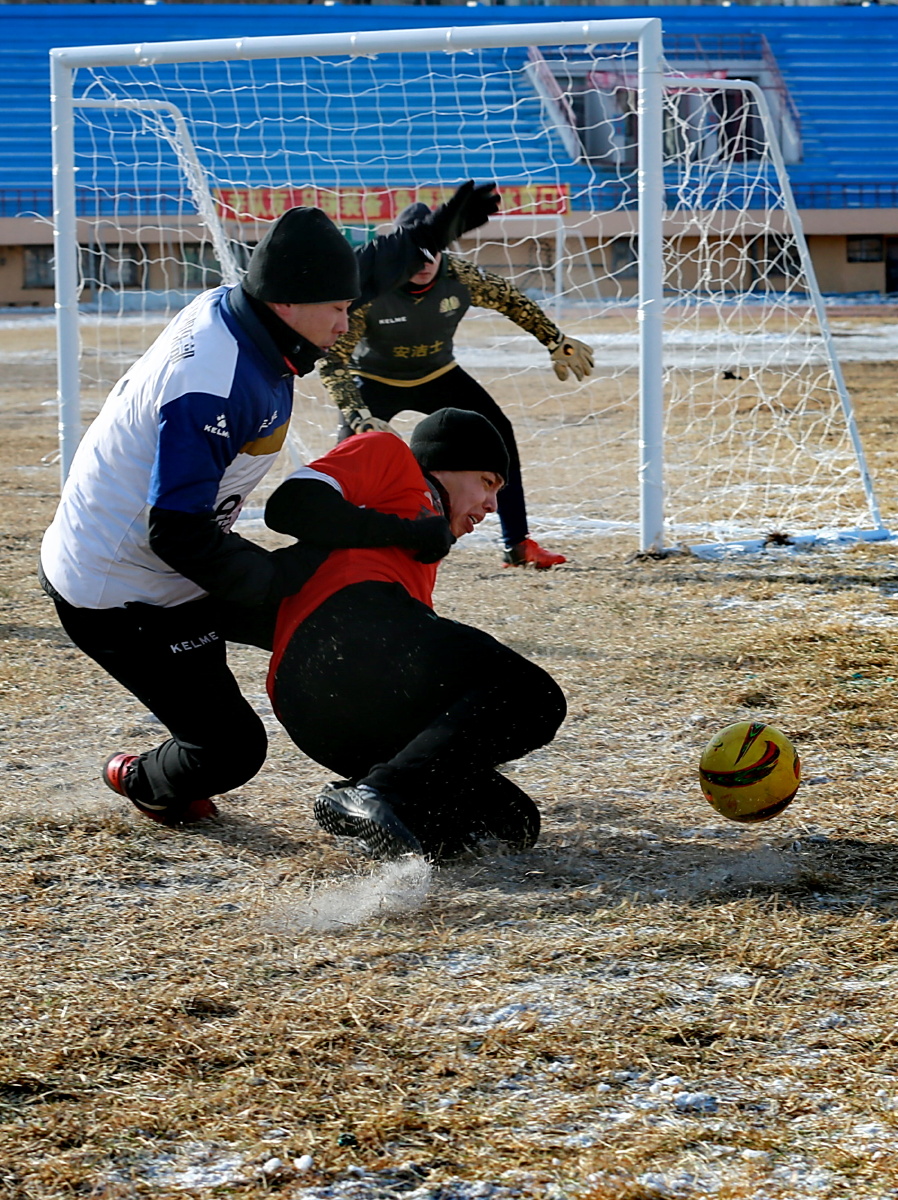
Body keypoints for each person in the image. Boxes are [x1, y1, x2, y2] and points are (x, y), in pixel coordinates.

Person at [38, 183, 501, 828]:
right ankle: (139, 777)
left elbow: (362, 275)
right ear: (288, 302)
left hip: (181, 559)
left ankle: (407, 767)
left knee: (343, 618)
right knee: (230, 751)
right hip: (121, 592)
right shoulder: (212, 385)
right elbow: (175, 531)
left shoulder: (265, 311)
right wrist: (279, 577)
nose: (346, 324)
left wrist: (437, 231)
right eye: (337, 309)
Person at [264, 407, 567, 864]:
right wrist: (407, 531)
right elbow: (289, 505)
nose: (491, 506)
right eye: (487, 482)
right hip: (337, 639)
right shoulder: (391, 456)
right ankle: (374, 791)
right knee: (531, 694)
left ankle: (369, 798)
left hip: (326, 715)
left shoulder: (422, 560)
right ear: (443, 465)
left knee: (508, 823)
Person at [317, 200, 594, 571]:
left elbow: (511, 299)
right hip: (374, 380)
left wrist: (554, 340)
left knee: (499, 435)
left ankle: (517, 544)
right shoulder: (370, 289)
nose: (424, 261)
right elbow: (333, 360)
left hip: (438, 373)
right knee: (350, 459)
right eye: (413, 253)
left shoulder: (460, 276)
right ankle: (330, 549)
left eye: (432, 251)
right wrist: (358, 413)